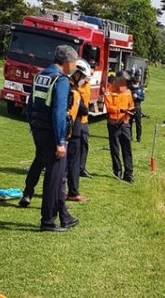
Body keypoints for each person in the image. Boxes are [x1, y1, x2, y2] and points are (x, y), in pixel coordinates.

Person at [26, 45, 79, 232]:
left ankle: (65, 216)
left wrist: (33, 127)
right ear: (67, 62)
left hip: (38, 130)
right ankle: (48, 221)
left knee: (55, 176)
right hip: (53, 134)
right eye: (74, 63)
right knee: (53, 178)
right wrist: (60, 142)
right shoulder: (61, 80)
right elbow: (58, 113)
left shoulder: (40, 76)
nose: (74, 67)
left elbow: (29, 104)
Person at [66, 59, 91, 202]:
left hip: (68, 129)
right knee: (73, 162)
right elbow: (83, 109)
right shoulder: (72, 89)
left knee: (64, 163)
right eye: (82, 77)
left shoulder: (68, 85)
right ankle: (73, 192)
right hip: (72, 130)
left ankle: (63, 190)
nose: (83, 80)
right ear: (77, 74)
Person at [103, 71, 134, 183]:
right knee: (115, 149)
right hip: (113, 124)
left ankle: (129, 173)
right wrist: (120, 110)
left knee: (127, 149)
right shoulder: (109, 91)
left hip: (124, 123)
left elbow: (131, 105)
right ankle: (117, 171)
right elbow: (109, 106)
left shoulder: (128, 92)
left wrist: (129, 114)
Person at [129, 74, 145, 142]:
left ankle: (138, 137)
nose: (135, 84)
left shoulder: (140, 88)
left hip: (137, 107)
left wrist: (137, 97)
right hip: (130, 107)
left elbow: (143, 98)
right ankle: (130, 137)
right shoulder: (129, 89)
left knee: (138, 123)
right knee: (129, 123)